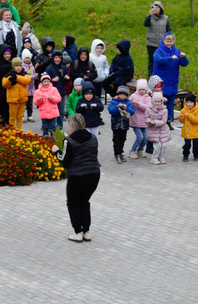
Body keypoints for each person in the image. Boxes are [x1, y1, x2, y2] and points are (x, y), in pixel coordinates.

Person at [52, 113, 101, 243]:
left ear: (72, 126)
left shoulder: (69, 140)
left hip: (77, 176)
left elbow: (64, 160)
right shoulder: (93, 138)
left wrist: (56, 151)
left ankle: (78, 232)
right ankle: (86, 232)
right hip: (94, 175)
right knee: (84, 202)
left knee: (73, 203)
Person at [152, 32, 189, 130]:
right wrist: (169, 58)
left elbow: (185, 64)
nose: (169, 43)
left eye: (171, 41)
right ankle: (159, 121)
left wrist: (183, 57)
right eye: (167, 41)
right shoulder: (158, 51)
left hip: (172, 81)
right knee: (160, 103)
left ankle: (168, 121)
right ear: (163, 41)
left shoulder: (177, 51)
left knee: (170, 104)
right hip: (161, 83)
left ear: (174, 41)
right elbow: (158, 60)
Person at [2, 57, 32, 131]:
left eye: (20, 66)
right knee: (12, 117)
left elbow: (27, 80)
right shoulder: (8, 75)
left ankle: (19, 129)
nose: (18, 68)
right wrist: (9, 80)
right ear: (13, 67)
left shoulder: (24, 74)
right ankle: (12, 130)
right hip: (13, 100)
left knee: (20, 116)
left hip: (22, 99)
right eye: (16, 66)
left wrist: (16, 78)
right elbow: (5, 85)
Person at [144, 1, 171, 78]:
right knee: (151, 60)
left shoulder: (165, 18)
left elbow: (169, 29)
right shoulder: (150, 17)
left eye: (158, 7)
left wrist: (168, 41)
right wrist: (149, 16)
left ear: (161, 9)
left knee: (161, 60)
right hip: (151, 43)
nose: (156, 9)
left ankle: (161, 76)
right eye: (154, 7)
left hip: (161, 44)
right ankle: (150, 76)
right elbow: (145, 24)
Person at [108, 86, 135, 164]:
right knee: (116, 139)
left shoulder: (128, 102)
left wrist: (126, 108)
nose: (122, 96)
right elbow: (111, 111)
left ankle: (121, 152)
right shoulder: (114, 101)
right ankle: (117, 153)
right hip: (115, 125)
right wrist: (117, 107)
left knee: (123, 138)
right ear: (118, 94)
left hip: (124, 125)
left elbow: (132, 112)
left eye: (124, 95)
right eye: (121, 94)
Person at [46, 50, 70, 130]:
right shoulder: (49, 68)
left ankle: (60, 128)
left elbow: (65, 81)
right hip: (51, 94)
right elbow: (43, 81)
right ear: (52, 58)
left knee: (61, 112)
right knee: (51, 111)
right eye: (55, 58)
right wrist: (52, 80)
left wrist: (67, 78)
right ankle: (50, 127)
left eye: (59, 58)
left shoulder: (63, 67)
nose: (57, 59)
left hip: (61, 93)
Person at [128, 80, 151, 160]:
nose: (142, 91)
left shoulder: (148, 98)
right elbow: (129, 103)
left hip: (144, 121)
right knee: (139, 137)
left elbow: (147, 108)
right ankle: (132, 150)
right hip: (135, 121)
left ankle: (140, 150)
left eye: (143, 89)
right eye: (140, 89)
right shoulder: (133, 96)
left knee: (146, 138)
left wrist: (139, 104)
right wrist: (132, 104)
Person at [147, 92, 171, 165]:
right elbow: (146, 118)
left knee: (164, 145)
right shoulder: (149, 109)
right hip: (153, 131)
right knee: (157, 145)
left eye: (159, 101)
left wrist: (155, 122)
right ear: (153, 102)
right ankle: (154, 158)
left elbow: (164, 121)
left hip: (162, 130)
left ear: (161, 102)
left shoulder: (164, 110)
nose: (157, 103)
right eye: (155, 101)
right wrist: (148, 121)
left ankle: (161, 157)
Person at [0, 45, 13, 124]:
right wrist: (6, 67)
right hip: (0, 90)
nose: (7, 56)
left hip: (9, 89)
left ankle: (7, 123)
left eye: (8, 54)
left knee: (8, 108)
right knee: (2, 107)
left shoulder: (12, 62)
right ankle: (1, 123)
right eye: (5, 54)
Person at [179, 94, 198, 161]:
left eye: (191, 102)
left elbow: (196, 120)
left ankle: (196, 155)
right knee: (187, 145)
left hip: (195, 132)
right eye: (188, 102)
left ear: (194, 103)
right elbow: (182, 121)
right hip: (187, 132)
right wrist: (181, 117)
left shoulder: (197, 111)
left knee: (196, 145)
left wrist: (189, 115)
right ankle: (185, 155)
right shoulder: (183, 110)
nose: (189, 104)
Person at [21, 49, 36, 122]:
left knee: (30, 103)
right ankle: (22, 115)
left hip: (31, 87)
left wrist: (35, 76)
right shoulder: (22, 67)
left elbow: (34, 73)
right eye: (26, 58)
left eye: (28, 58)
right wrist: (27, 77)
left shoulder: (32, 66)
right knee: (23, 103)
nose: (27, 60)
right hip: (25, 87)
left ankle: (30, 115)